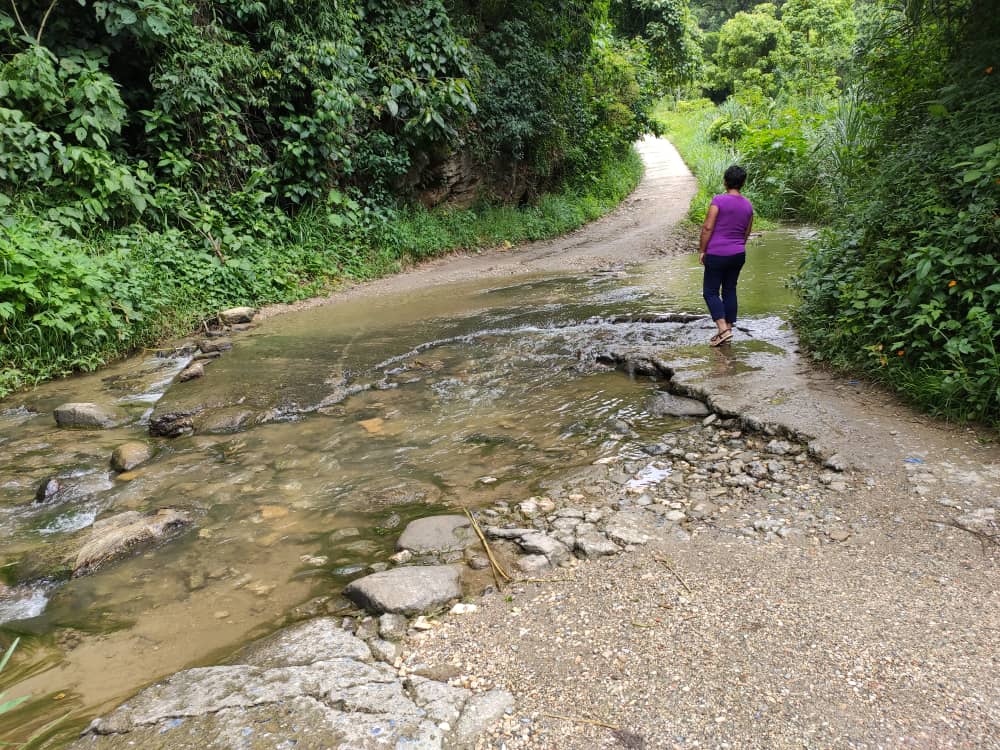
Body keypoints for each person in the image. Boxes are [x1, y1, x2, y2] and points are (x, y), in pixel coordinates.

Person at [699, 165, 753, 346]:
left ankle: (722, 328)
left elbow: (707, 227)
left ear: (725, 181)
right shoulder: (748, 205)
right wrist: (737, 247)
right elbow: (746, 233)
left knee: (710, 292)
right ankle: (727, 331)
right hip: (738, 253)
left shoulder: (718, 201)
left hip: (717, 252)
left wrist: (702, 250)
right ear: (743, 183)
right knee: (730, 289)